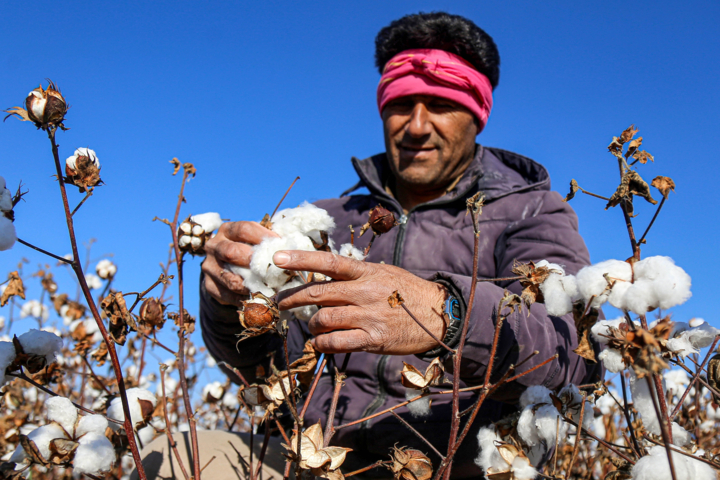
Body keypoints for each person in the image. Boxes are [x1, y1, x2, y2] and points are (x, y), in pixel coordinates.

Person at [134, 11, 600, 479]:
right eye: (401, 104)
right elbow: (261, 365)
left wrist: (447, 314)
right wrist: (230, 300)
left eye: (440, 103)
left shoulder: (532, 212)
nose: (416, 126)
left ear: (477, 114)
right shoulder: (329, 220)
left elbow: (572, 354)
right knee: (176, 456)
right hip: (319, 457)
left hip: (459, 464)